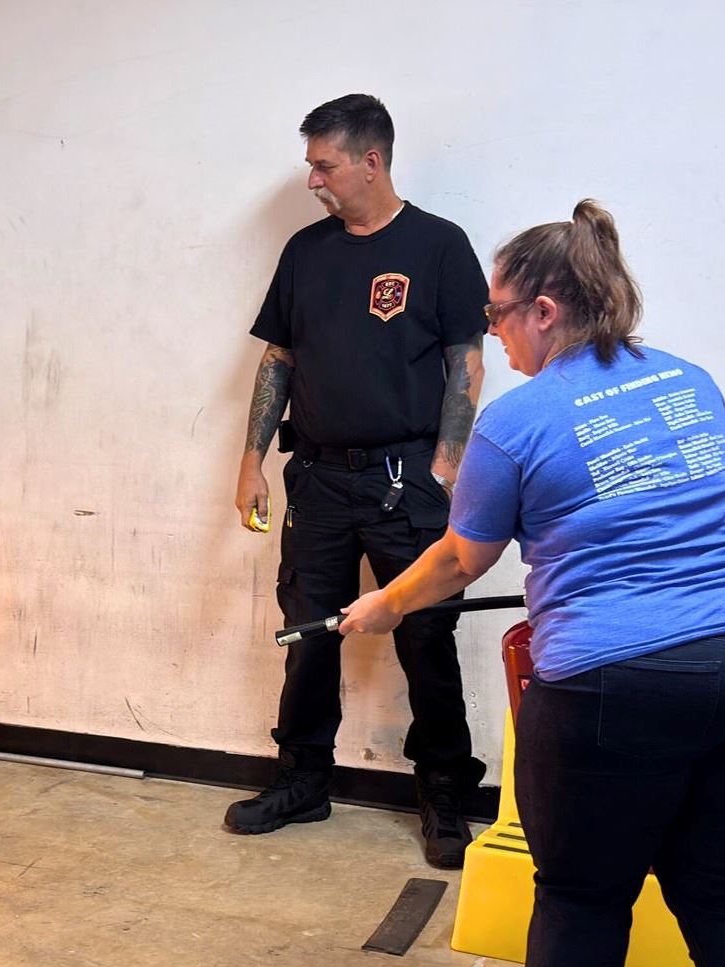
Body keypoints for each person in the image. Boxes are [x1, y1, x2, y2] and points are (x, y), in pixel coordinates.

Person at [339, 200, 725, 967]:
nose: (495, 334)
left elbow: (460, 559)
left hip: (618, 683)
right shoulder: (686, 378)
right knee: (719, 879)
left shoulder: (514, 423)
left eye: (497, 314)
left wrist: (382, 606)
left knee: (582, 890)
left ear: (545, 310)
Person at [228, 94, 489, 869]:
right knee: (309, 636)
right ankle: (302, 780)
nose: (313, 181)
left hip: (405, 480)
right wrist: (250, 462)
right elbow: (279, 358)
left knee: (425, 636)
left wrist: (443, 470)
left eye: (324, 166)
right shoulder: (306, 252)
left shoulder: (438, 246)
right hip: (316, 479)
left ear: (370, 161)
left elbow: (465, 364)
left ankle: (443, 791)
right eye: (311, 166)